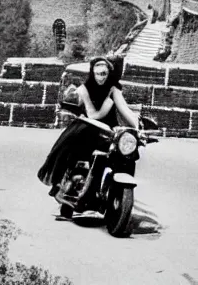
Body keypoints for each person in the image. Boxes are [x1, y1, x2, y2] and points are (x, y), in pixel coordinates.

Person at [37, 56, 138, 196]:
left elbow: (124, 109)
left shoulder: (113, 90)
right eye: (97, 74)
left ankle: (107, 188)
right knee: (69, 146)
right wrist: (73, 96)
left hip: (107, 129)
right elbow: (90, 113)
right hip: (87, 127)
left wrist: (137, 127)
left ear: (108, 73)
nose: (100, 78)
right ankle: (60, 184)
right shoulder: (85, 89)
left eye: (104, 74)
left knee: (122, 153)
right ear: (92, 73)